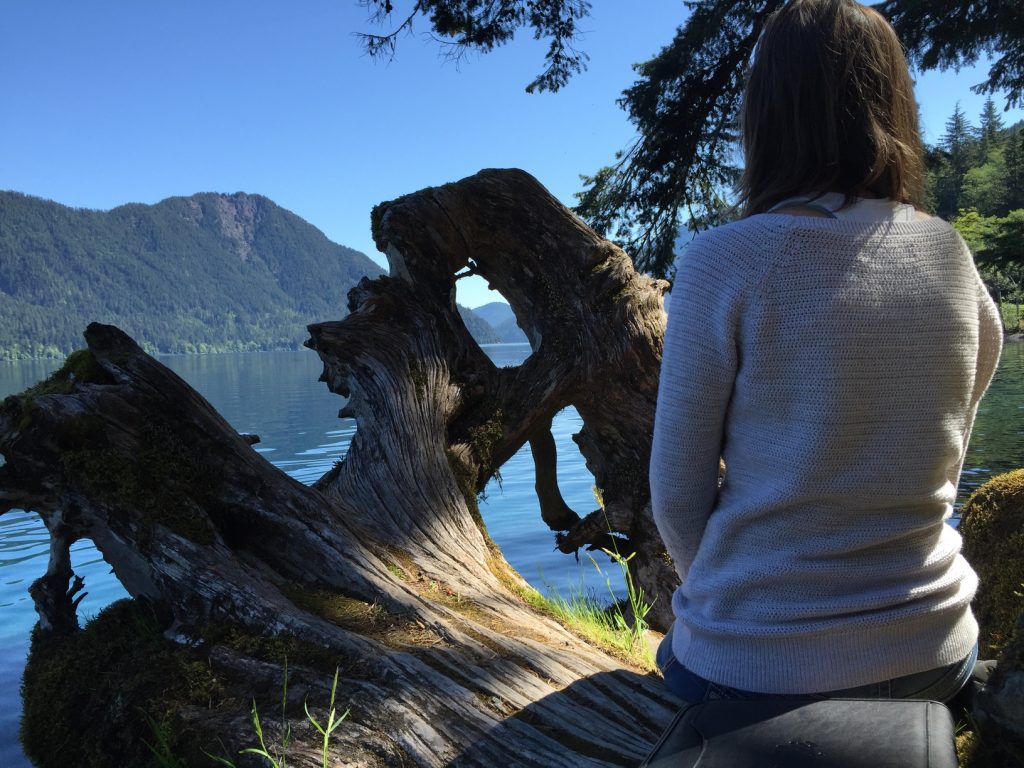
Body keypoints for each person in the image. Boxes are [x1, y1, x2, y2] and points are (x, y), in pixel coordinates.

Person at [649, 0, 1003, 704]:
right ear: (895, 105)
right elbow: (964, 410)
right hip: (934, 648)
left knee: (667, 660)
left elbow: (677, 494)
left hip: (758, 669)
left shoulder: (727, 260)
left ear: (767, 115)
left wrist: (733, 605)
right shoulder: (947, 252)